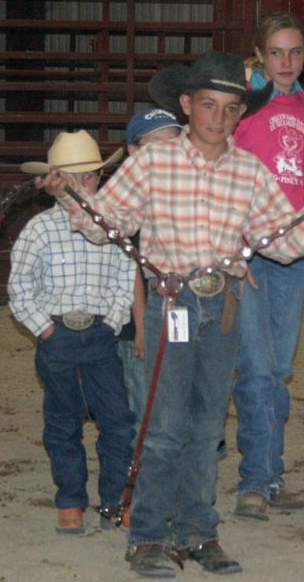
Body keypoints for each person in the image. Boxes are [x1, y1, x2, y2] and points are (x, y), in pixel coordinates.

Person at [36, 50, 304, 578]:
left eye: (230, 109)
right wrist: (71, 197)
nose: (218, 119)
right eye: (208, 105)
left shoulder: (249, 171)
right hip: (171, 304)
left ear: (240, 114)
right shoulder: (153, 163)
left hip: (223, 306)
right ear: (186, 104)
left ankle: (199, 531)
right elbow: (106, 221)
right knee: (164, 425)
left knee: (207, 426)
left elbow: (285, 242)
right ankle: (149, 536)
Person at [232, 12, 304, 520]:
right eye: (276, 52)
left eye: (295, 52)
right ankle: (254, 479)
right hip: (245, 250)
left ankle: (270, 475)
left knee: (278, 367)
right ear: (260, 53)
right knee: (255, 365)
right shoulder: (241, 103)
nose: (286, 62)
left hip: (291, 251)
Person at [8, 130, 136, 535]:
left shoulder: (112, 227)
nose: (84, 186)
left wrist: (113, 322)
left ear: (101, 178)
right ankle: (71, 501)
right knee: (63, 420)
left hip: (99, 335)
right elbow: (20, 286)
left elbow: (124, 275)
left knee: (117, 420)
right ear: (55, 180)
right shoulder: (38, 230)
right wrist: (45, 329)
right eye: (73, 177)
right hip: (58, 334)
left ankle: (116, 499)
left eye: (91, 176)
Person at [117, 109, 183, 430]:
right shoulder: (124, 204)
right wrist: (142, 327)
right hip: (138, 327)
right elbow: (129, 270)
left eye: (174, 143)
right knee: (145, 406)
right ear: (134, 151)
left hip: (178, 316)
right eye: (155, 144)